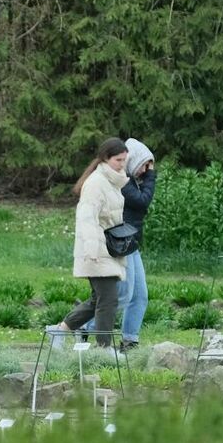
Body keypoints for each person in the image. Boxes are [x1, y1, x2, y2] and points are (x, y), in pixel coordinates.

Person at [50, 137, 129, 349]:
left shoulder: (112, 182)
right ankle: (103, 349)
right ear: (105, 158)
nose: (122, 165)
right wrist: (92, 249)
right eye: (118, 160)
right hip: (96, 249)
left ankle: (60, 330)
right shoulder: (95, 184)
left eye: (124, 160)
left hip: (108, 248)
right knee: (108, 299)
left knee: (99, 299)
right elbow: (87, 219)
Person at [82, 138, 155, 351]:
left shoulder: (129, 181)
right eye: (144, 164)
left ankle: (129, 340)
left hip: (131, 244)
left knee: (140, 296)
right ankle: (88, 328)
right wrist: (151, 176)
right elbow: (143, 201)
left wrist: (147, 174)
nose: (146, 170)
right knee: (122, 296)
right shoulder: (121, 182)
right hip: (119, 244)